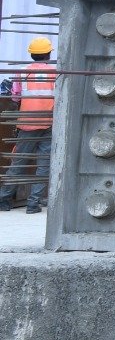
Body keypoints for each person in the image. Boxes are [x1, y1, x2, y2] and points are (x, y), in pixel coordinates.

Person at [2, 37, 56, 214]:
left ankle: (3, 200)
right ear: (48, 53)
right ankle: (33, 204)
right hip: (48, 122)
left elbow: (15, 97)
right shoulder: (55, 71)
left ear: (32, 54)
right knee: (43, 165)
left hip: (25, 123)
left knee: (18, 162)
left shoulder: (22, 71)